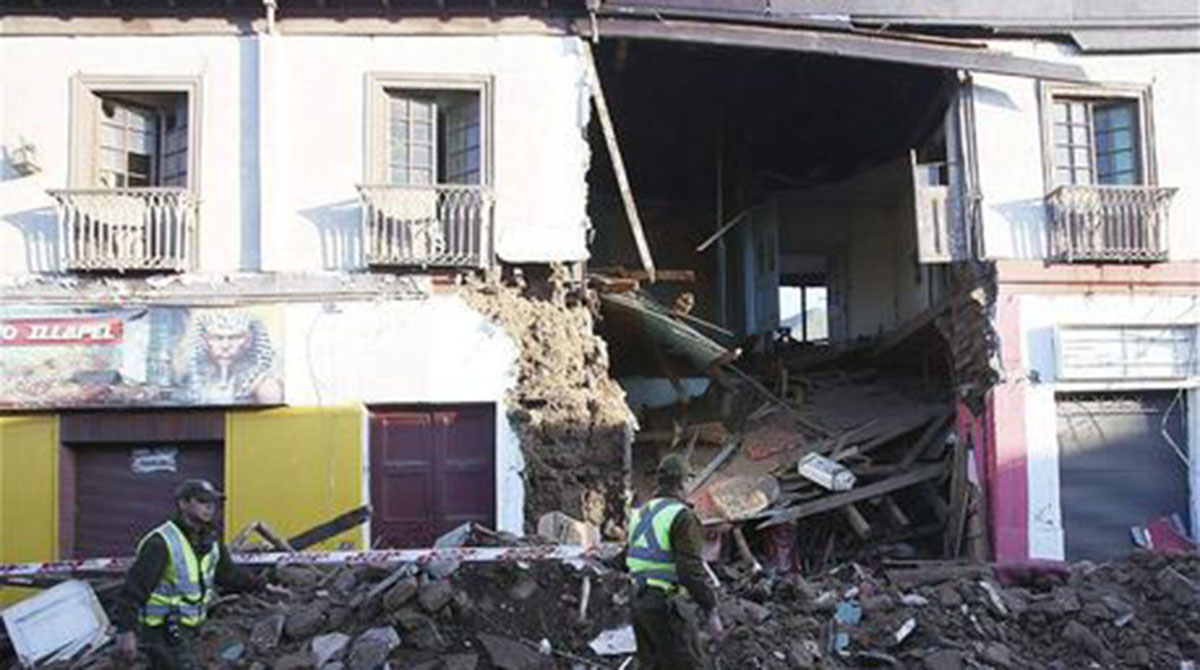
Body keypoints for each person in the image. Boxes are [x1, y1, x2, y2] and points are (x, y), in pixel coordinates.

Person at [114, 479, 258, 670]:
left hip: (190, 630)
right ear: (183, 504)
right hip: (160, 633)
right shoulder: (161, 542)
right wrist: (126, 632)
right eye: (202, 501)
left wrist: (262, 583)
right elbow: (132, 591)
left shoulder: (210, 540)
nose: (209, 507)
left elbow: (228, 575)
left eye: (212, 502)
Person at [627, 454, 725, 670]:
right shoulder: (682, 516)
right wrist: (710, 609)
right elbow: (690, 569)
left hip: (639, 601)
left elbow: (628, 557)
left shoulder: (641, 513)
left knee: (652, 666)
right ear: (682, 482)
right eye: (689, 480)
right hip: (666, 604)